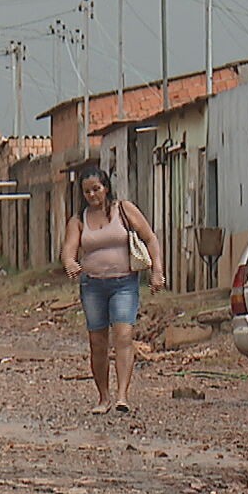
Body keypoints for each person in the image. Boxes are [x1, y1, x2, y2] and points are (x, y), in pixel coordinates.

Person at [59, 167, 165, 414]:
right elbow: (69, 249)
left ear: (106, 188)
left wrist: (157, 270)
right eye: (87, 191)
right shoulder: (78, 220)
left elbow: (150, 238)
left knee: (124, 336)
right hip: (93, 286)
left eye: (96, 189)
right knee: (98, 342)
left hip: (124, 284)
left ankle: (122, 396)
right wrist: (70, 263)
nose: (92, 195)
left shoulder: (124, 210)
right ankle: (103, 397)